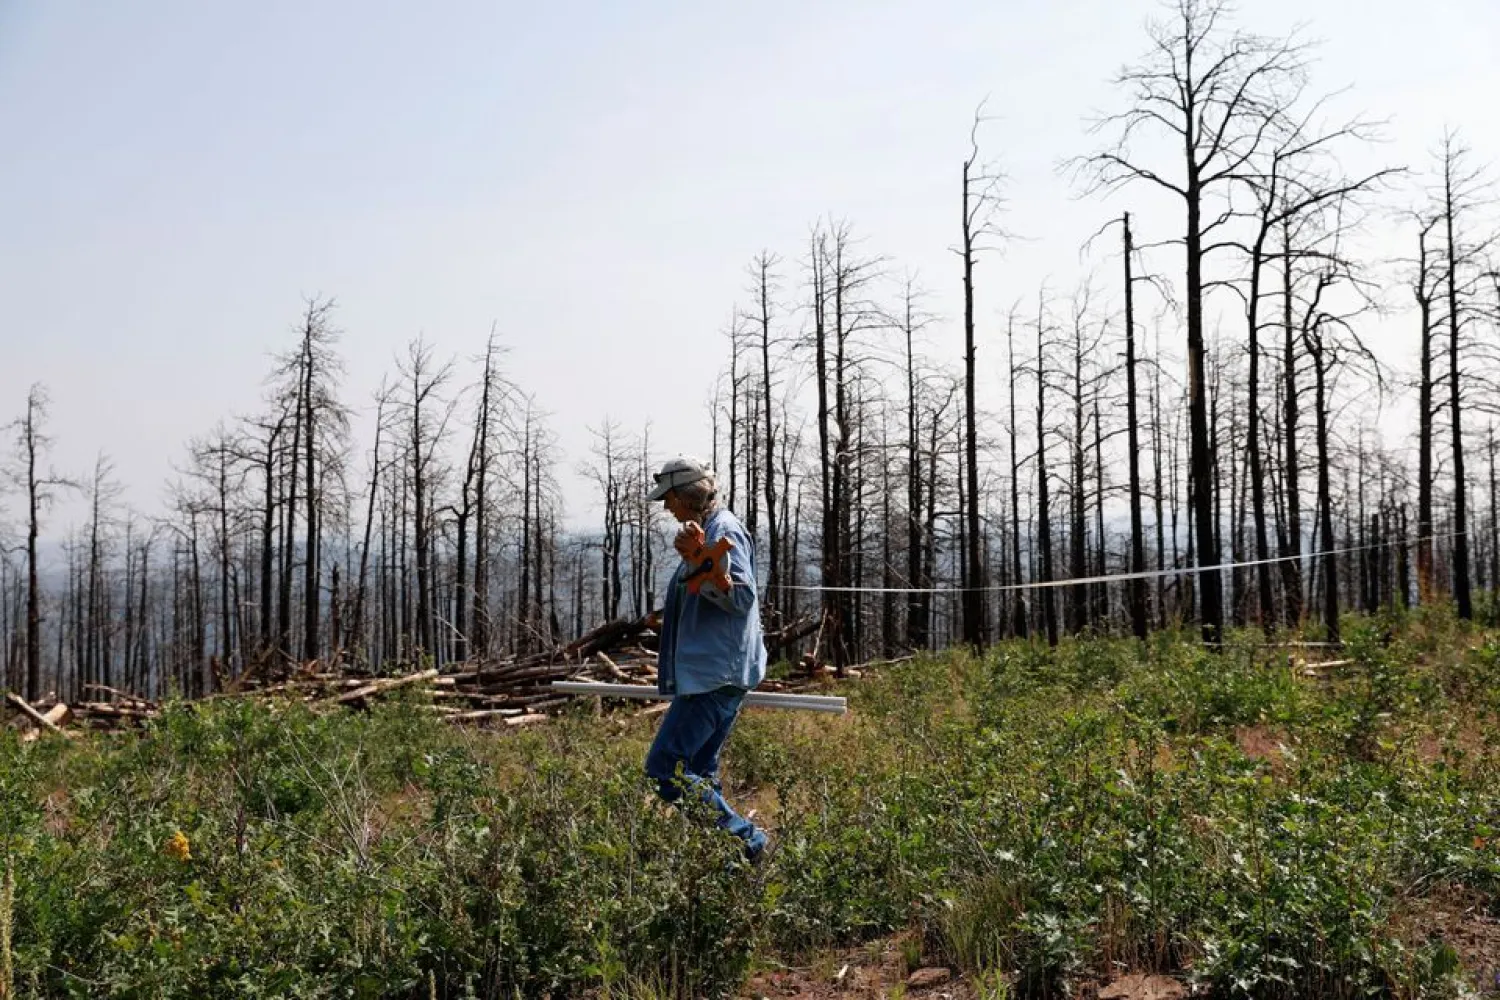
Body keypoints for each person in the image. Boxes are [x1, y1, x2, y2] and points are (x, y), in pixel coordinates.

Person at [643, 455, 769, 862]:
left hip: (714, 677)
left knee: (666, 770)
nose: (667, 507)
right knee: (697, 771)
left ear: (687, 495)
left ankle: (748, 842)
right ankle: (725, 862)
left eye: (671, 498)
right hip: (715, 673)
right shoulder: (706, 531)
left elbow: (743, 598)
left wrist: (703, 566)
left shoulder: (724, 530)